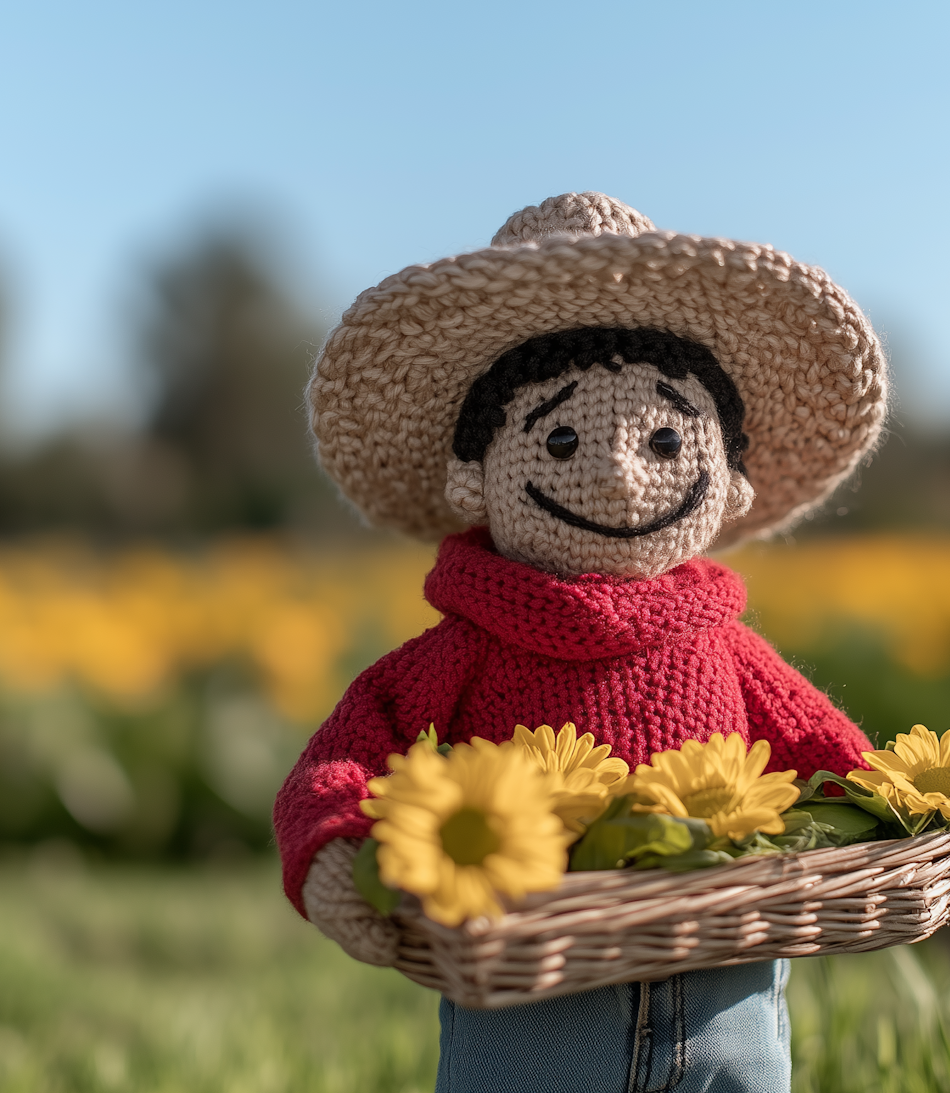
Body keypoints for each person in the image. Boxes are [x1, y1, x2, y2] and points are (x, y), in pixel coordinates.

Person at [274, 192, 889, 1093]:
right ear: (473, 478)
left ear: (733, 485)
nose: (616, 471)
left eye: (669, 436)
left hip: (726, 993)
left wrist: (940, 818)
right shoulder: (466, 652)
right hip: (528, 997)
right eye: (559, 438)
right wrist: (337, 852)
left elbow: (840, 763)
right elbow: (344, 757)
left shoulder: (726, 650)